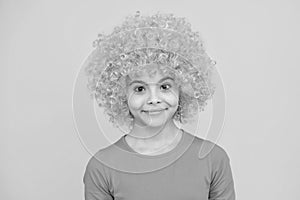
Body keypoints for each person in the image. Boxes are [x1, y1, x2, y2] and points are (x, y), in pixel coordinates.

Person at [83, 11, 236, 200]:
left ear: (183, 88)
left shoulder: (213, 159)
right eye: (140, 88)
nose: (153, 99)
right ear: (121, 94)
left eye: (165, 86)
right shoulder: (102, 167)